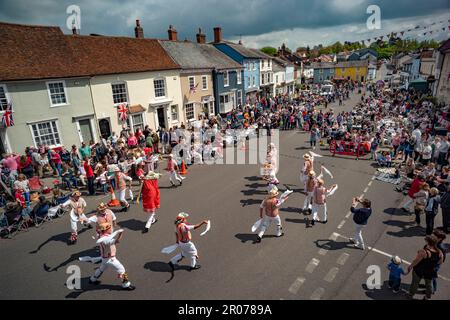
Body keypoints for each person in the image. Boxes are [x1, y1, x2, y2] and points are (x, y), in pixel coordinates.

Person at [89, 224, 135, 291]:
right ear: (107, 229)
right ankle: (126, 285)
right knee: (122, 270)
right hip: (110, 259)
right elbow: (117, 241)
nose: (111, 229)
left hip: (104, 258)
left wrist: (117, 233)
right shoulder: (107, 239)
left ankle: (92, 279)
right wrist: (120, 234)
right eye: (110, 228)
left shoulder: (100, 235)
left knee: (101, 269)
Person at [406, 235, 444, 300]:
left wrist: (410, 266)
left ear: (428, 242)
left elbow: (416, 261)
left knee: (415, 283)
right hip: (430, 271)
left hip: (419, 270)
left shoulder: (424, 252)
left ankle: (410, 295)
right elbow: (440, 262)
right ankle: (427, 297)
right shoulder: (440, 252)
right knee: (429, 284)